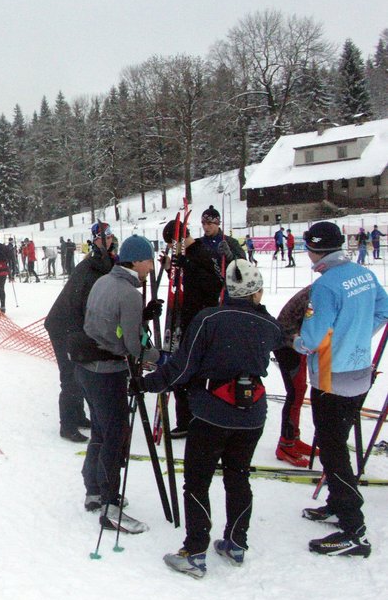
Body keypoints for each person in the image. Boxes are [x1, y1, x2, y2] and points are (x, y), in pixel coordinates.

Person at [136, 259, 282, 578]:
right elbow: (288, 355)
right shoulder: (268, 324)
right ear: (254, 292)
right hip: (251, 415)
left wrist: (147, 384)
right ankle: (235, 543)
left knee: (198, 481)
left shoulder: (209, 319)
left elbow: (182, 367)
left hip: (212, 414)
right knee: (237, 475)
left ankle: (196, 551)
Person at [295, 221, 388, 557]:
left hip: (333, 377)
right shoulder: (362, 273)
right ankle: (338, 502)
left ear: (315, 249)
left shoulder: (325, 287)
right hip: (360, 371)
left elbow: (310, 339)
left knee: (333, 449)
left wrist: (296, 341)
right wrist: (359, 334)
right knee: (336, 440)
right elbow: (384, 309)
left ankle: (353, 528)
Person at [74, 234, 161, 535]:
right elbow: (134, 346)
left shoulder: (104, 282)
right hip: (106, 371)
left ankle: (95, 489)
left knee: (101, 429)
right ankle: (109, 505)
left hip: (87, 367)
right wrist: (159, 356)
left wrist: (140, 318)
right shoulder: (128, 293)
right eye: (149, 260)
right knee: (115, 435)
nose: (151, 265)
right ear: (136, 261)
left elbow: (107, 321)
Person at [44, 221, 114, 443]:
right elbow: (80, 304)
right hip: (64, 326)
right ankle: (67, 424)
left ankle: (79, 415)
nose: (108, 241)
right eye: (103, 238)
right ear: (94, 241)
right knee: (71, 374)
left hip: (76, 326)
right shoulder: (87, 268)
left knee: (80, 372)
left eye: (110, 237)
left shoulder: (104, 264)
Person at [162, 215, 226, 438]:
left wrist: (188, 266)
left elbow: (214, 285)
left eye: (172, 245)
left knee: (190, 375)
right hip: (184, 319)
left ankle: (192, 420)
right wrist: (171, 266)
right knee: (185, 374)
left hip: (199, 322)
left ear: (179, 239)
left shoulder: (201, 254)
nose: (172, 249)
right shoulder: (187, 255)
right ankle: (188, 419)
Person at [274, 286, 312, 466]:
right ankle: (286, 444)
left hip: (298, 342)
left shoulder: (326, 289)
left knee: (300, 390)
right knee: (295, 393)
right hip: (287, 343)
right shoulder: (323, 291)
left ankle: (294, 437)